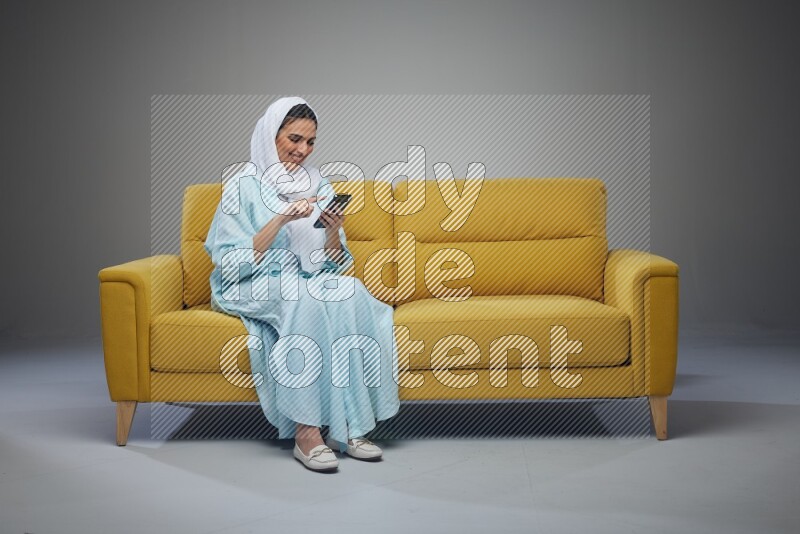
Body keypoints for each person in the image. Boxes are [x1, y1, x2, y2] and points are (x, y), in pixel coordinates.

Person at [204, 97, 401, 472]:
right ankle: (306, 432)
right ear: (270, 135)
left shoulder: (318, 184)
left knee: (353, 293)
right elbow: (229, 262)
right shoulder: (241, 186)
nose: (302, 150)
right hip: (252, 280)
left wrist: (332, 231)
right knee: (302, 301)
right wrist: (278, 220)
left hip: (306, 277)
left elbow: (336, 262)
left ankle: (351, 426)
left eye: (310, 142)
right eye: (294, 139)